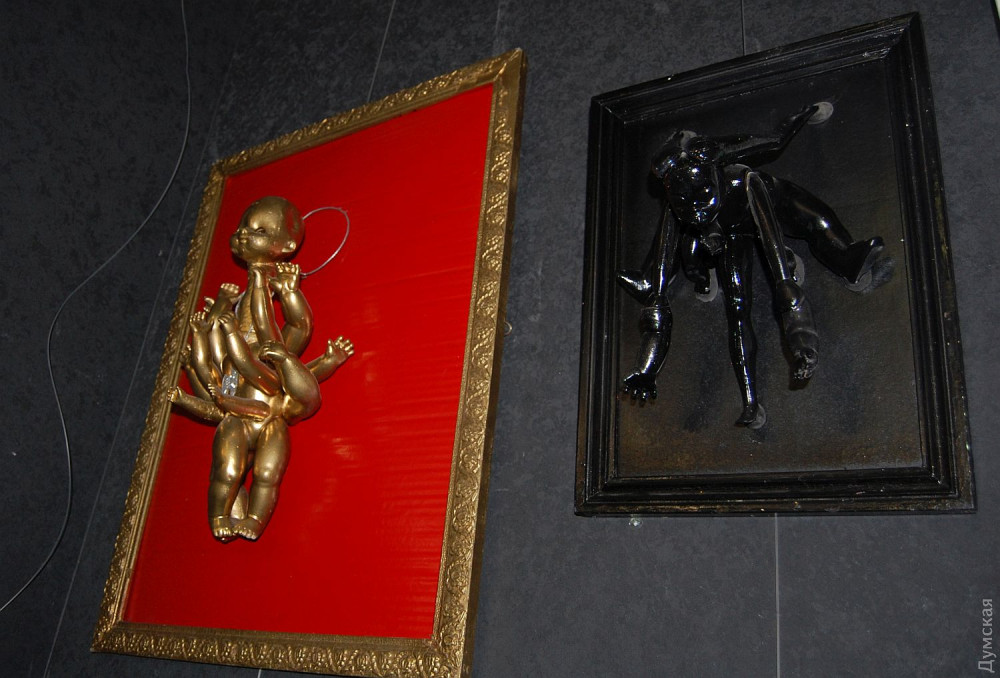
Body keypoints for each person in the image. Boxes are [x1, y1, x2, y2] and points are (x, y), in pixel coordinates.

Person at [619, 104, 884, 428]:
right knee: (737, 308)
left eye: (703, 198)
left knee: (818, 221)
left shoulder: (744, 181)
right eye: (685, 205)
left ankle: (847, 259)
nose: (696, 211)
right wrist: (646, 371)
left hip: (767, 205)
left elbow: (779, 269)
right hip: (731, 234)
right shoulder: (678, 208)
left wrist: (802, 342)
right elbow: (658, 299)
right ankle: (750, 403)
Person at [170, 196, 353, 540]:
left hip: (270, 418)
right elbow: (213, 368)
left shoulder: (276, 350)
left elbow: (301, 330)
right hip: (236, 418)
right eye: (243, 227)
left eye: (260, 231)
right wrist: (214, 321)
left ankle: (254, 519)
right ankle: (220, 515)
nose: (244, 234)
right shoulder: (230, 347)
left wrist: (291, 293)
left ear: (286, 246)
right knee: (227, 470)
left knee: (268, 473)